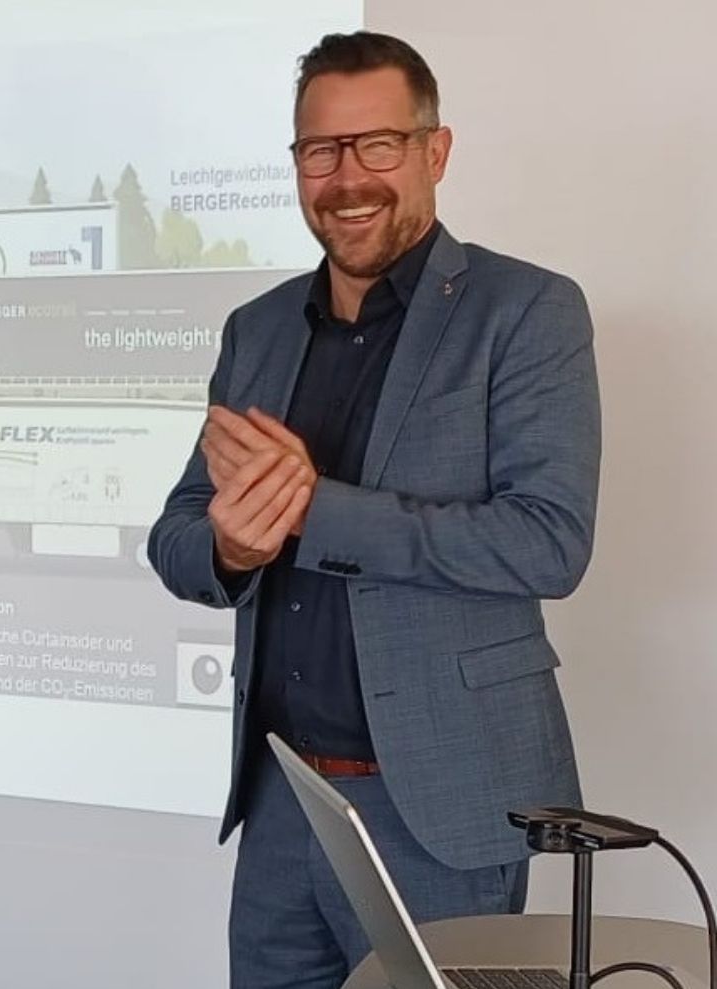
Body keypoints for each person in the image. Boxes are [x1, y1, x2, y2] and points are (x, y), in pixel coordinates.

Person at [146, 31, 601, 989]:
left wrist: (314, 511)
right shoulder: (258, 328)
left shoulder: (527, 311)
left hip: (438, 804)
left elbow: (548, 542)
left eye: (379, 145)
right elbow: (179, 532)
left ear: (436, 151)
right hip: (283, 799)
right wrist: (230, 546)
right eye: (322, 150)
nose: (348, 177)